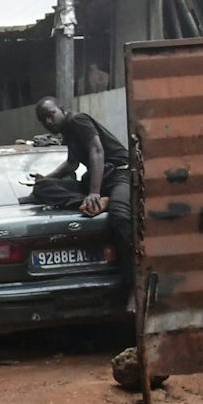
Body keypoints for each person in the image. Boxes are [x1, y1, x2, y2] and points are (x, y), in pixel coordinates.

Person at [34, 96, 134, 288]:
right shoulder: (67, 131)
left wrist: (94, 192)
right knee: (42, 187)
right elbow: (72, 164)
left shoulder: (77, 120)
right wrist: (46, 178)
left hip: (119, 173)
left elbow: (97, 151)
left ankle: (133, 284)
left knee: (120, 216)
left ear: (62, 109)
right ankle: (98, 202)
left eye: (51, 115)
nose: (48, 121)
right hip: (100, 181)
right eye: (43, 120)